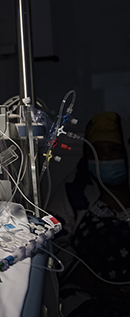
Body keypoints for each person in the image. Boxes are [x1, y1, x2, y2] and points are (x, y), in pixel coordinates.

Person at [54, 112, 130, 316]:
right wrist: (98, 286)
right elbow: (55, 245)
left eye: (114, 150)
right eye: (97, 151)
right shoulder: (73, 195)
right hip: (89, 296)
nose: (105, 158)